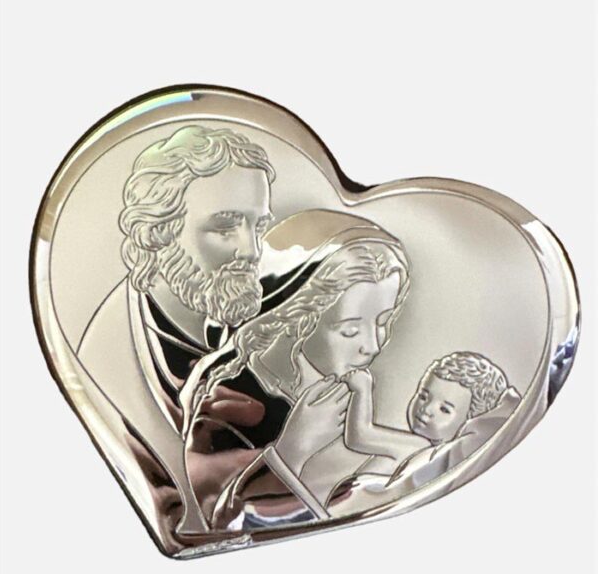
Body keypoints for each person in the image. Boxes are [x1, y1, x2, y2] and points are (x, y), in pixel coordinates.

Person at [76, 126, 345, 543]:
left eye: (258, 227)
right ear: (158, 232)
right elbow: (199, 513)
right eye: (225, 227)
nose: (251, 251)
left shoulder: (261, 328)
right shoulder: (104, 359)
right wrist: (291, 454)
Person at [184, 214, 418, 529]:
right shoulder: (230, 403)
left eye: (383, 322)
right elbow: (213, 520)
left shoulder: (340, 390)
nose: (372, 346)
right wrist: (292, 450)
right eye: (349, 330)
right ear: (299, 324)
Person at [326, 351, 521, 517]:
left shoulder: (420, 449)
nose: (426, 410)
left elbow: (359, 436)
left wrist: (362, 390)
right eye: (423, 396)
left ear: (468, 422)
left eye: (444, 409)